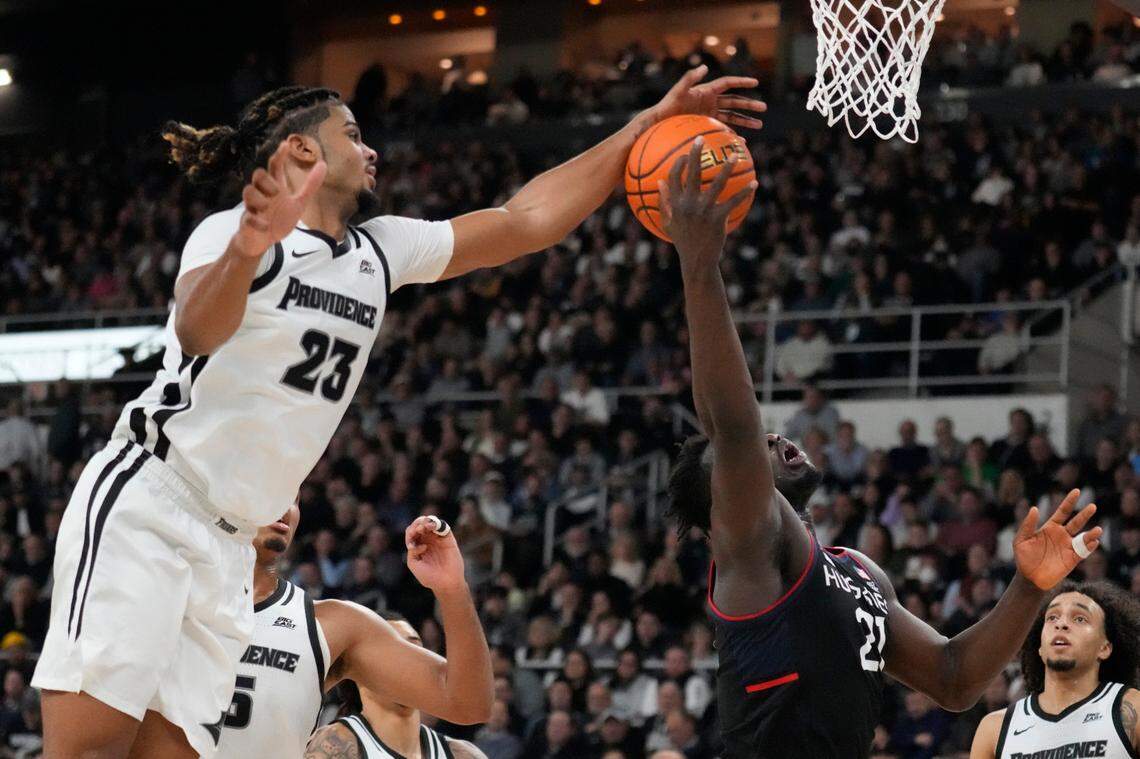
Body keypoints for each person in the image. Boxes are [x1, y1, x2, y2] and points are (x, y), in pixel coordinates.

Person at [33, 69, 764, 757]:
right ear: (301, 149)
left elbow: (524, 219)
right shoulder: (238, 232)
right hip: (155, 501)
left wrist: (642, 126)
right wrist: (249, 247)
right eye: (352, 134)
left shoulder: (379, 252)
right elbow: (195, 331)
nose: (371, 147)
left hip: (227, 547)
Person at [657, 138, 1104, 759]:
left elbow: (953, 678)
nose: (772, 437)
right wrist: (699, 267)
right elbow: (729, 428)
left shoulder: (857, 570)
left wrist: (1029, 587)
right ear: (726, 497)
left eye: (769, 434)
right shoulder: (747, 550)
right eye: (752, 450)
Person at [216, 507, 492, 757]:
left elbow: (468, 703)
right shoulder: (178, 601)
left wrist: (452, 589)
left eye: (295, 495)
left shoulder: (333, 624)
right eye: (273, 484)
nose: (285, 504)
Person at [970, 581, 1140, 758]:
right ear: (1040, 648)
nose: (1061, 624)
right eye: (1052, 617)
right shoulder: (995, 728)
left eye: (1079, 618)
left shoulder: (1131, 709)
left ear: (1105, 648)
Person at [305, 612, 489, 759]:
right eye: (395, 653)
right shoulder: (333, 746)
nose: (409, 663)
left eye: (415, 648)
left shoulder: (464, 754)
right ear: (357, 668)